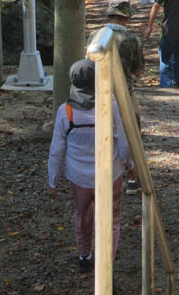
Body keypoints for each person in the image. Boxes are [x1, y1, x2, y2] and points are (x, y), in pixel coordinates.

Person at [48, 58, 135, 273]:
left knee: (83, 215)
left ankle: (84, 256)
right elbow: (124, 142)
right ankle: (107, 262)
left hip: (79, 178)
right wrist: (130, 164)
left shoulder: (65, 111)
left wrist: (53, 178)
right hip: (109, 175)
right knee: (112, 218)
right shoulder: (110, 106)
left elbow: (56, 149)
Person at [87, 0, 145, 195]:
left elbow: (88, 63)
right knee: (131, 134)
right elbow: (138, 71)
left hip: (97, 92)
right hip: (124, 94)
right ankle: (133, 178)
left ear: (109, 15)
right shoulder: (132, 39)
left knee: (101, 134)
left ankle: (100, 176)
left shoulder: (94, 35)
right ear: (126, 18)